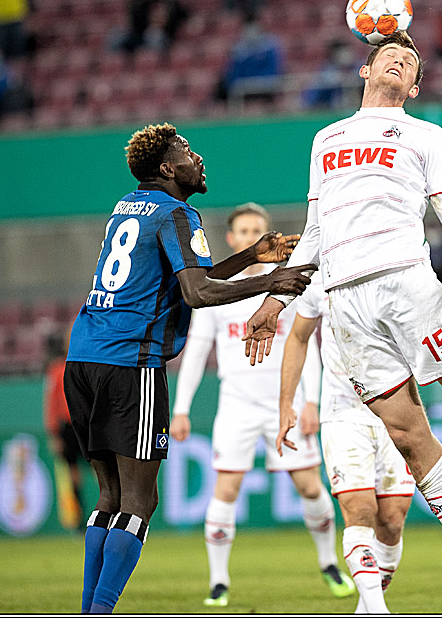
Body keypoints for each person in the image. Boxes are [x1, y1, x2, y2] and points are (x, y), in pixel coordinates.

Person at [241, 31, 442, 614]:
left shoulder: (425, 135)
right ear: (366, 68)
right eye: (390, 54)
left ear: (414, 86)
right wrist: (275, 298)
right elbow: (314, 234)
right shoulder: (325, 139)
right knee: (408, 437)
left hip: (409, 286)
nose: (400, 59)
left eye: (410, 61)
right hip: (346, 306)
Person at [63, 123, 315, 614]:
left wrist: (249, 258)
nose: (197, 158)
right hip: (129, 363)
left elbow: (184, 282)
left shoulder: (128, 207)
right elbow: (198, 294)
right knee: (140, 502)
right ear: (166, 169)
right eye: (186, 153)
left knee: (109, 497)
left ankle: (88, 609)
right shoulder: (179, 212)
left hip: (84, 356)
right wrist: (273, 284)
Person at [170, 203, 354, 607]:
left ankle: (328, 562)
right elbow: (197, 351)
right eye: (244, 230)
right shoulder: (213, 288)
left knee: (309, 486)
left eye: (259, 229)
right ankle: (218, 581)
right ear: (232, 239)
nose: (252, 235)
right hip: (236, 404)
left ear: (271, 237)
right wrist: (180, 408)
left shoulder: (284, 284)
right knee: (226, 488)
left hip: (282, 403)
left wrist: (309, 402)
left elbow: (304, 345)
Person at [279, 267, 414, 614]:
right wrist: (288, 403)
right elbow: (297, 338)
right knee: (360, 510)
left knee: (392, 520)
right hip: (343, 413)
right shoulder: (320, 278)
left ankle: (365, 607)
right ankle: (378, 609)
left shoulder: (398, 267)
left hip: (396, 410)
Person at [43, 328, 85, 531]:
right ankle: (80, 520)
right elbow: (51, 402)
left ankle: (108, 514)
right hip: (68, 427)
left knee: (101, 469)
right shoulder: (57, 369)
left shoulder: (84, 364)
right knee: (73, 474)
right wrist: (53, 433)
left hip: (86, 425)